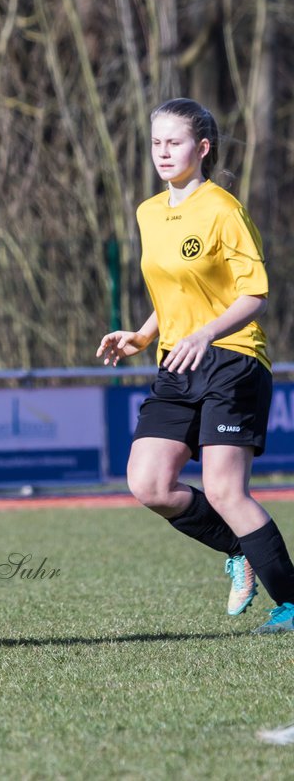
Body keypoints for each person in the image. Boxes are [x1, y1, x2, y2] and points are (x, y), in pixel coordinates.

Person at [97, 97, 294, 633]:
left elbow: (255, 293)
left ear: (202, 148)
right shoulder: (148, 212)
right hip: (176, 363)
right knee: (149, 483)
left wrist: (207, 333)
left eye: (175, 142)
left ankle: (292, 605)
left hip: (233, 358)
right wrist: (142, 334)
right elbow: (174, 293)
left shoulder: (223, 209)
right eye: (156, 142)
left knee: (227, 491)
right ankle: (242, 551)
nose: (163, 152)